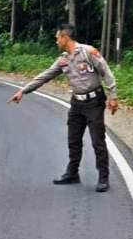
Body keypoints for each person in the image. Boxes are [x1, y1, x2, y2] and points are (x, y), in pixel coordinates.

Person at [8, 23, 119, 192]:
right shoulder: (63, 59)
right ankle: (72, 173)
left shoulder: (88, 52)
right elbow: (45, 76)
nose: (56, 41)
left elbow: (106, 72)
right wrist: (23, 90)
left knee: (98, 141)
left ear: (65, 37)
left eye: (57, 38)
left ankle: (103, 177)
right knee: (73, 140)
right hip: (76, 103)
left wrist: (113, 96)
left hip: (94, 103)